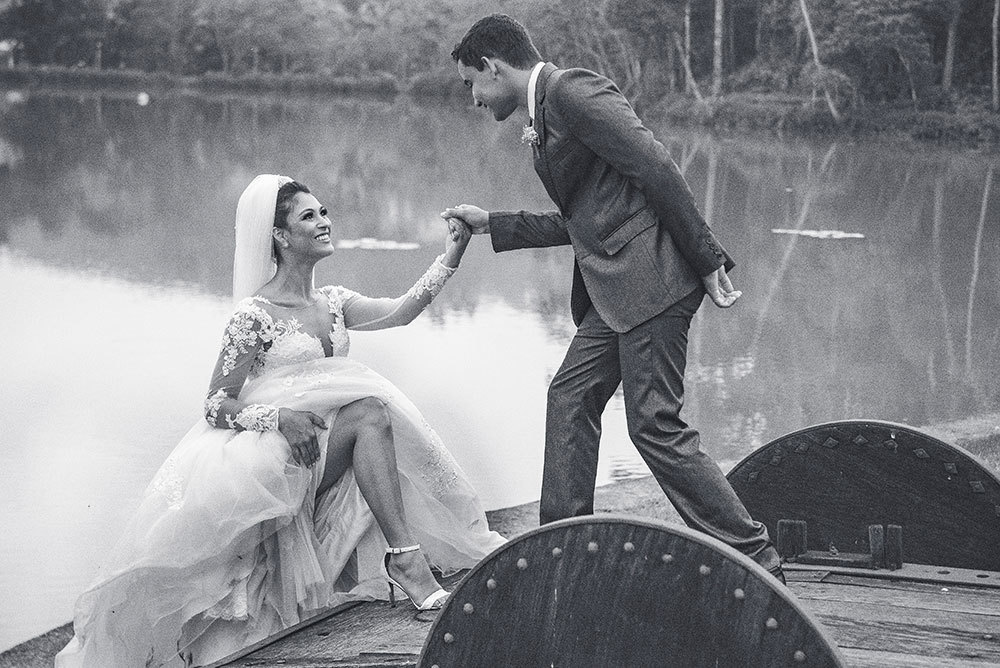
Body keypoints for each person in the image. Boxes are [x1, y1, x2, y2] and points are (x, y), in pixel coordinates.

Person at [56, 174, 505, 668]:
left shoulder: (332, 302)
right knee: (370, 412)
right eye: (308, 217)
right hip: (270, 453)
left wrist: (452, 255)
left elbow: (400, 312)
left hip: (321, 449)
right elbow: (214, 403)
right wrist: (279, 417)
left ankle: (406, 558)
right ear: (280, 237)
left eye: (324, 212)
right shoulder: (255, 314)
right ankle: (406, 561)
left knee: (372, 411)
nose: (324, 222)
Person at [441, 14, 784, 583]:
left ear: (492, 68)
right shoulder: (547, 108)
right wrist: (492, 223)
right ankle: (562, 553)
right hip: (618, 289)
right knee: (570, 399)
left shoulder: (572, 90)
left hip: (654, 281)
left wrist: (707, 259)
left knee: (654, 425)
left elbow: (656, 164)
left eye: (471, 84)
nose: (474, 99)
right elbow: (585, 220)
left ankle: (755, 560)